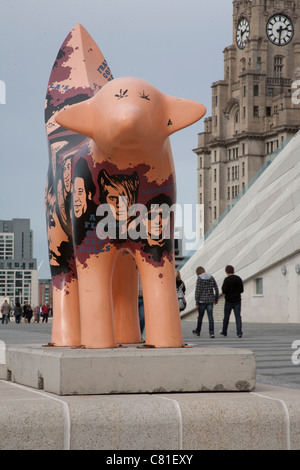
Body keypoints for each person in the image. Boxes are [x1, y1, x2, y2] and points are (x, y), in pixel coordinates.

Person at [193, 266, 219, 338]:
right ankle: (211, 333)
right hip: (210, 300)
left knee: (200, 317)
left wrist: (197, 302)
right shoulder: (211, 277)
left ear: (198, 272)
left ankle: (198, 331)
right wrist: (216, 299)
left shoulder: (199, 278)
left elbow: (198, 291)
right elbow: (216, 288)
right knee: (210, 316)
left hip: (202, 301)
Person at [220, 265, 244, 338]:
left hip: (229, 301)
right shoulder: (238, 278)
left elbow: (224, 290)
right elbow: (242, 290)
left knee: (226, 317)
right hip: (237, 300)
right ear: (233, 270)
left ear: (226, 271)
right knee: (238, 317)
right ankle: (239, 332)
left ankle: (224, 332)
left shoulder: (226, 280)